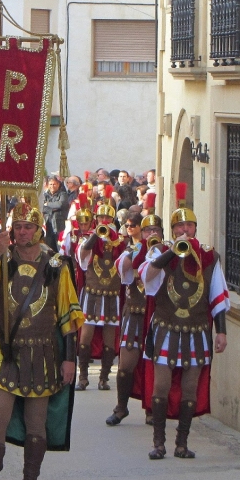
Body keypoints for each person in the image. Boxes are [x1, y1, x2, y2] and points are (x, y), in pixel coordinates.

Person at [0, 202, 84, 480]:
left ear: (39, 230)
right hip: (3, 352)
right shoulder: (2, 261)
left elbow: (68, 317)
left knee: (37, 425)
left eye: (28, 227)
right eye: (17, 226)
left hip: (42, 354)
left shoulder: (57, 265)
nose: (22, 232)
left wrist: (70, 358)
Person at [141, 189, 229, 459]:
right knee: (161, 387)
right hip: (166, 328)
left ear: (195, 227)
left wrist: (222, 331)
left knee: (190, 388)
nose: (184, 229)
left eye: (188, 225)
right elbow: (148, 279)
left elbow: (217, 294)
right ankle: (158, 442)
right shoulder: (159, 253)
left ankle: (182, 442)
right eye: (179, 225)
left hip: (197, 330)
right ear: (173, 229)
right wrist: (171, 251)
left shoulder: (208, 257)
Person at [75, 196, 125, 391]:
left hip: (111, 295)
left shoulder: (121, 242)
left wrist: (114, 239)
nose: (104, 220)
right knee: (85, 336)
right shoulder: (87, 239)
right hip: (92, 294)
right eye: (101, 217)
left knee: (109, 338)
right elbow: (82, 257)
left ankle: (104, 377)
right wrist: (96, 234)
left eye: (108, 218)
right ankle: (83, 376)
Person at [106, 212, 149, 426]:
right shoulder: (129, 250)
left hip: (155, 316)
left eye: (135, 225)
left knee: (154, 366)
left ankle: (152, 409)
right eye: (128, 225)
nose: (130, 228)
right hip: (134, 312)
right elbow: (124, 271)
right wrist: (137, 251)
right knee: (125, 366)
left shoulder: (165, 251)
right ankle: (121, 407)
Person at [42, 175, 68, 252]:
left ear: (58, 184)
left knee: (59, 247)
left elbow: (60, 204)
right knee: (49, 248)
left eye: (54, 184)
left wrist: (48, 204)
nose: (52, 186)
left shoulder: (63, 194)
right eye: (50, 184)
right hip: (48, 224)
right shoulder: (45, 195)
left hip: (59, 225)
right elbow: (42, 208)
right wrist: (52, 209)